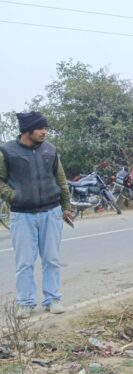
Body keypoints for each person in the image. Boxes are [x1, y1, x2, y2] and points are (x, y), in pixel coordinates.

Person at [0, 111, 74, 318]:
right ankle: (25, 303)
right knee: (24, 262)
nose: (45, 132)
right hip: (22, 215)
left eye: (45, 128)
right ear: (27, 130)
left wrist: (66, 206)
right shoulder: (7, 151)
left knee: (52, 259)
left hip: (51, 212)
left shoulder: (50, 150)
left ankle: (53, 299)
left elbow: (61, 180)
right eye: (41, 128)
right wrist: (14, 196)